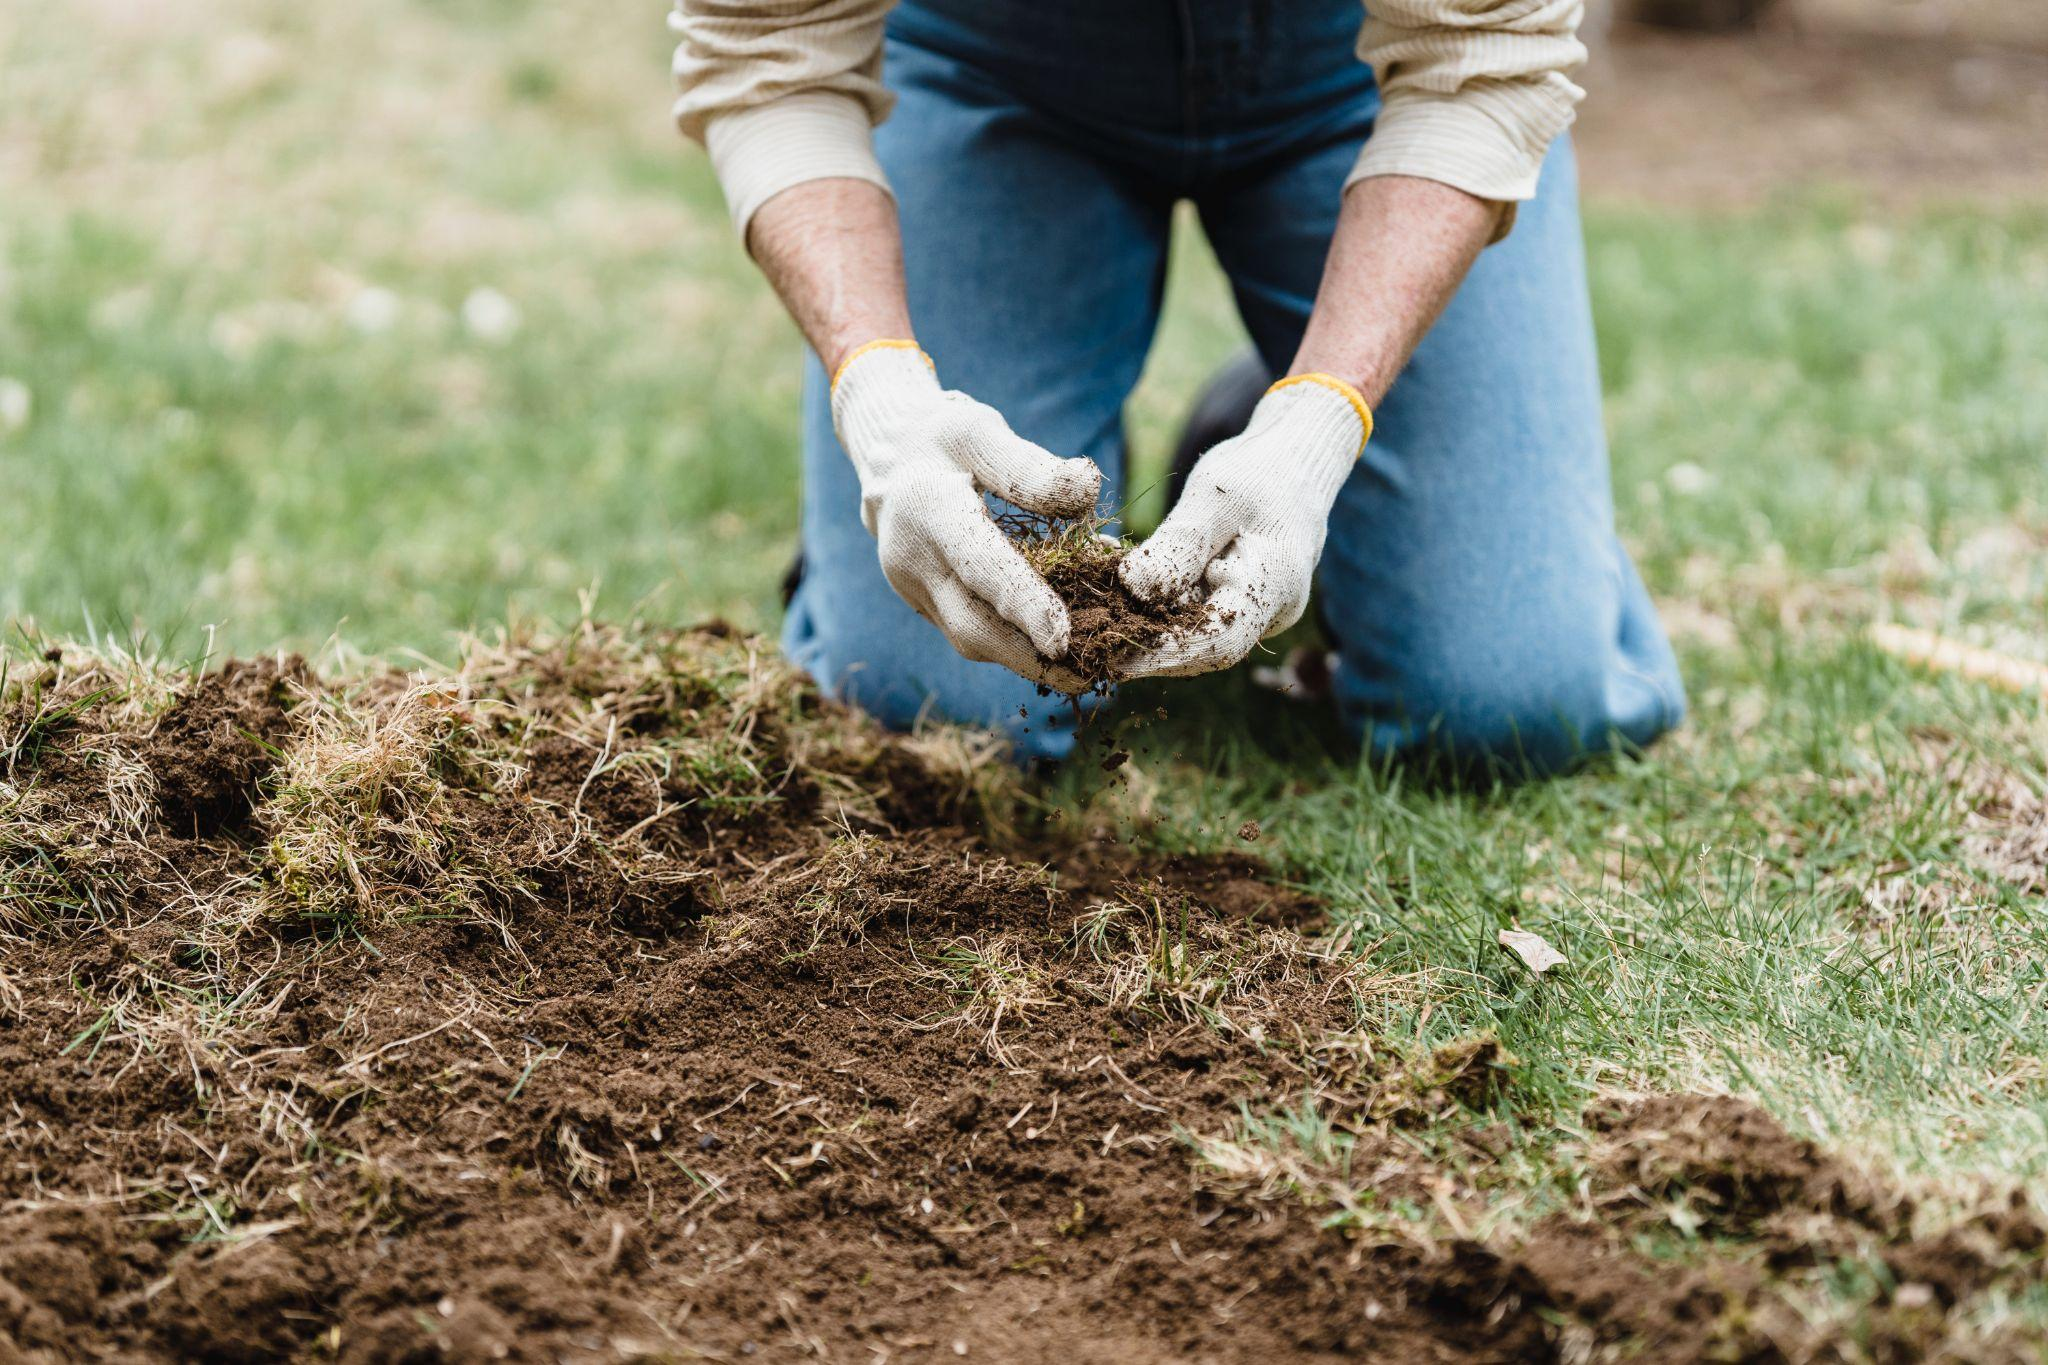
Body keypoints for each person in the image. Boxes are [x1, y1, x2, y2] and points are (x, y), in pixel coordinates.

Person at [670, 0, 1686, 774]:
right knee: (935, 710)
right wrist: (881, 397)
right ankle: (900, 495)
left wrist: (1318, 424)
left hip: (1363, 76)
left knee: (1502, 706)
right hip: (995, 65)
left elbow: (1482, 66)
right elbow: (768, 56)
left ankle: (1272, 415)